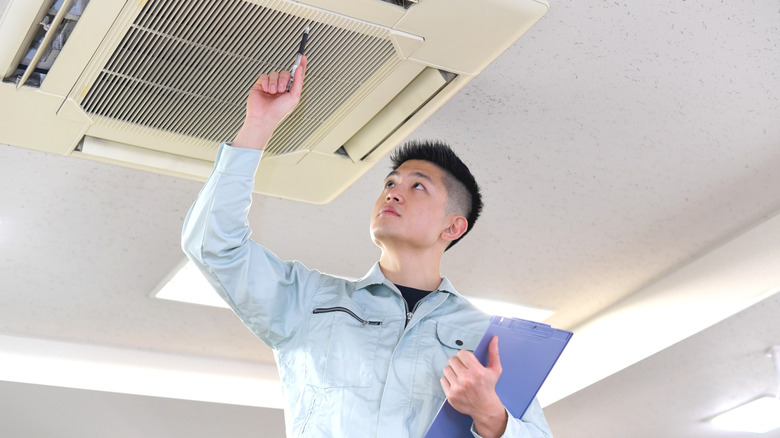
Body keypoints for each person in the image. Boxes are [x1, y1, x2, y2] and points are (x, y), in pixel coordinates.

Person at [181, 57, 552, 438]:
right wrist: (258, 126)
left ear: (452, 226)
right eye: (390, 183)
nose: (393, 192)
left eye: (417, 186)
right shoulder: (309, 302)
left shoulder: (484, 340)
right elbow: (213, 244)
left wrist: (492, 417)